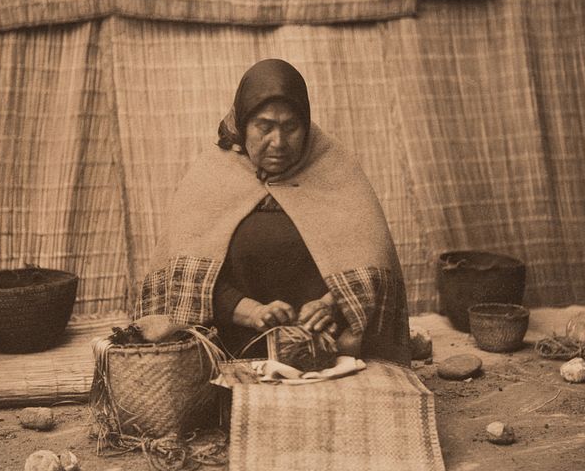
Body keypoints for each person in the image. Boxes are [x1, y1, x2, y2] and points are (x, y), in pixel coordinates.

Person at [137, 59, 410, 365]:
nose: (278, 142)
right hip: (233, 347)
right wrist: (252, 312)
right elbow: (187, 277)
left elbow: (372, 261)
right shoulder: (211, 174)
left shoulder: (333, 165)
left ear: (305, 125)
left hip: (324, 343)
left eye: (291, 127)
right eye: (264, 127)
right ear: (243, 125)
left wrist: (331, 304)